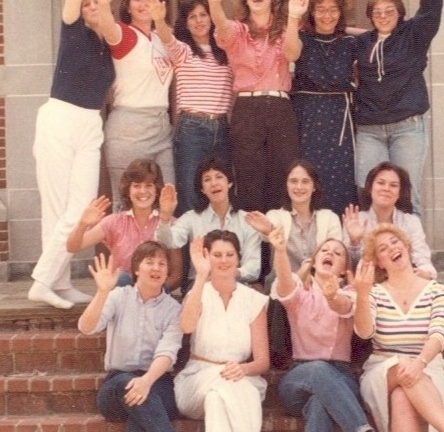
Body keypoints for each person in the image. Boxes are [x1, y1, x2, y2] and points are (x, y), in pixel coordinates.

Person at [28, 0, 128, 309]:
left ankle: (51, 278)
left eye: (96, 7)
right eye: (87, 6)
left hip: (90, 125)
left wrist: (105, 7)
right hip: (59, 118)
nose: (90, 10)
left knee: (81, 204)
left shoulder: (108, 45)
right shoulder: (72, 31)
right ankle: (52, 280)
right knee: (56, 208)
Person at [206, 0, 307, 213]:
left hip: (280, 108)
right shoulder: (238, 30)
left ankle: (277, 250)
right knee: (249, 181)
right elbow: (221, 26)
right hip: (247, 110)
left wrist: (293, 19)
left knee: (281, 180)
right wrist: (214, 3)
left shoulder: (285, 29)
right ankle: (255, 251)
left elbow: (292, 53)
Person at [354, 0, 443, 217]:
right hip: (369, 130)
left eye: (389, 11)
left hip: (407, 129)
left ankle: (411, 257)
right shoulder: (362, 42)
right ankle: (372, 255)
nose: (383, 17)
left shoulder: (413, 35)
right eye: (377, 12)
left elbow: (431, 11)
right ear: (370, 16)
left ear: (399, 13)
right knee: (368, 195)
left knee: (405, 196)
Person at [354, 223, 444, 432]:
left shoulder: (439, 291)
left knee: (402, 396)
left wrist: (419, 363)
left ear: (406, 247)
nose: (392, 248)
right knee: (402, 367)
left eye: (395, 242)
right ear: (379, 263)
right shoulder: (374, 293)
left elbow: (439, 335)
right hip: (382, 371)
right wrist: (362, 295)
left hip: (428, 369)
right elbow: (364, 332)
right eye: (383, 248)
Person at [268, 227, 373, 432]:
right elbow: (285, 283)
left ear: (344, 269)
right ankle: (360, 428)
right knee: (318, 369)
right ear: (314, 263)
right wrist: (280, 251)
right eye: (324, 250)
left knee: (319, 403)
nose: (329, 254)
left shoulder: (351, 293)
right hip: (298, 378)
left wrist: (332, 295)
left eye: (337, 253)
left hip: (341, 378)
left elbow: (342, 306)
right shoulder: (301, 294)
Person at [246, 158, 343, 367]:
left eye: (305, 181)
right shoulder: (277, 215)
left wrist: (309, 273)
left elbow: (335, 252)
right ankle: (278, 352)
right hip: (287, 282)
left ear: (314, 186)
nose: (299, 187)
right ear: (286, 185)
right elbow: (271, 230)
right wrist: (268, 229)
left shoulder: (329, 218)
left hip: (318, 280)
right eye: (293, 181)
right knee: (276, 279)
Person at [78, 242, 182, 432]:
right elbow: (87, 327)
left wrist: (146, 381)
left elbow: (167, 352)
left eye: (162, 264)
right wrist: (102, 292)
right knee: (129, 386)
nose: (156, 268)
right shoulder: (118, 297)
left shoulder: (173, 309)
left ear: (167, 272)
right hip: (116, 386)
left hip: (158, 382)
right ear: (136, 268)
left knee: (141, 412)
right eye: (149, 262)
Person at [93, 0, 174, 211]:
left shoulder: (163, 37)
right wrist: (104, 4)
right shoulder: (126, 34)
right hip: (129, 127)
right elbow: (108, 28)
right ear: (127, 5)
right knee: (127, 206)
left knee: (167, 202)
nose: (144, 3)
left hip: (162, 127)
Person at [174, 230, 269, 432]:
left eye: (230, 254)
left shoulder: (253, 300)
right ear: (207, 257)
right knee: (232, 389)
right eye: (217, 255)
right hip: (198, 378)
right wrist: (201, 275)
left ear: (238, 258)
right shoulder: (197, 293)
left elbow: (262, 362)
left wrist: (242, 369)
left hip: (240, 377)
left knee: (217, 398)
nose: (224, 260)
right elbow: (186, 326)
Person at [156, 0, 233, 216]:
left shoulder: (226, 53)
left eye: (203, 15)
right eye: (192, 17)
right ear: (186, 22)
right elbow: (166, 38)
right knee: (190, 191)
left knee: (221, 191)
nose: (199, 21)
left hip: (221, 126)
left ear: (212, 18)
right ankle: (192, 250)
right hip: (192, 128)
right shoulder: (184, 51)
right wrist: (160, 20)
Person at [289, 0, 358, 215]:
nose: (327, 16)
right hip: (307, 118)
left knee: (340, 179)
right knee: (309, 176)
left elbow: (376, 35)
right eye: (320, 10)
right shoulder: (301, 40)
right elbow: (288, 51)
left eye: (333, 10)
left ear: (341, 12)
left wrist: (350, 30)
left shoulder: (350, 43)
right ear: (311, 12)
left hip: (339, 120)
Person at [66, 159, 182, 290]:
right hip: (121, 294)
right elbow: (72, 247)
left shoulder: (170, 223)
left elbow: (176, 275)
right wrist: (82, 224)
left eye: (149, 185)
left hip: (155, 293)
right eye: (136, 186)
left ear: (157, 190)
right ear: (128, 190)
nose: (143, 191)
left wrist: (153, 291)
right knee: (121, 278)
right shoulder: (114, 222)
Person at [155, 156, 261, 292]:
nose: (214, 183)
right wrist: (165, 216)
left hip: (235, 282)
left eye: (219, 177)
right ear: (202, 189)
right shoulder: (191, 218)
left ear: (230, 183)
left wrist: (228, 274)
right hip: (200, 283)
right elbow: (167, 243)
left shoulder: (247, 220)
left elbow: (253, 267)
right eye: (207, 179)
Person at [343, 161, 436, 279]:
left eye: (393, 185)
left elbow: (423, 260)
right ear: (370, 188)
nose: (386, 188)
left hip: (405, 280)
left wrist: (425, 274)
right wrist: (354, 242)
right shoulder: (355, 220)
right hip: (369, 284)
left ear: (400, 193)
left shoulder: (412, 222)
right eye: (381, 183)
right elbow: (348, 267)